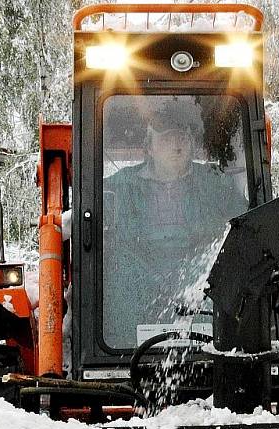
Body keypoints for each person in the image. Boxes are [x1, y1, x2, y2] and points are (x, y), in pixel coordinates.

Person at [102, 98, 248, 348]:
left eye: (183, 137)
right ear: (150, 147)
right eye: (167, 138)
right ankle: (119, 351)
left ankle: (227, 345)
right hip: (138, 282)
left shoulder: (214, 184)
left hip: (198, 281)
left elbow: (245, 222)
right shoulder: (120, 187)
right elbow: (91, 219)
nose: (177, 144)